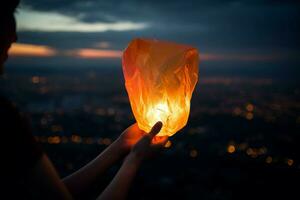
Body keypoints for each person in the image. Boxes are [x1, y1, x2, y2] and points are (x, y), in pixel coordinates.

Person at [0, 1, 169, 199]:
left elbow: (55, 194)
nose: (15, 36)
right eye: (6, 19)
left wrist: (121, 146)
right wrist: (134, 159)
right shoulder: (3, 120)